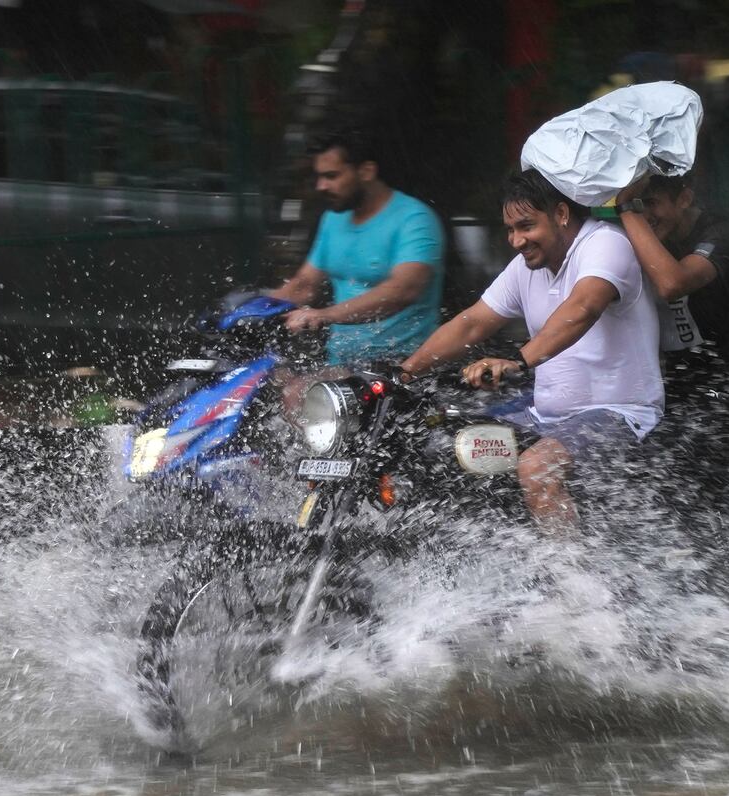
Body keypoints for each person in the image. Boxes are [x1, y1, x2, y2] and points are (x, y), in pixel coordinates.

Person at [399, 168, 663, 532]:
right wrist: (406, 372)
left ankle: (574, 583)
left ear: (561, 214)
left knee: (537, 466)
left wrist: (518, 361)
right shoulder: (527, 267)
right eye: (510, 230)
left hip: (620, 414)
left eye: (526, 226)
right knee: (448, 451)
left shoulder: (604, 243)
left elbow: (582, 308)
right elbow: (472, 323)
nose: (516, 240)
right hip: (545, 418)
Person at [613, 172, 729, 499]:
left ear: (685, 198)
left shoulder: (724, 234)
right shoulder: (647, 236)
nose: (644, 215)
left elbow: (673, 282)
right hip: (680, 377)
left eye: (650, 204)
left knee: (700, 475)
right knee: (671, 480)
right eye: (637, 205)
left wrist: (626, 209)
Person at [268, 128, 445, 366]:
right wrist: (249, 306)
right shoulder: (333, 218)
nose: (320, 186)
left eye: (331, 176)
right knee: (270, 382)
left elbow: (403, 290)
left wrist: (323, 315)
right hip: (340, 366)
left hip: (403, 369)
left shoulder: (415, 219)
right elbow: (305, 286)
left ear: (366, 171)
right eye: (319, 177)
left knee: (294, 393)